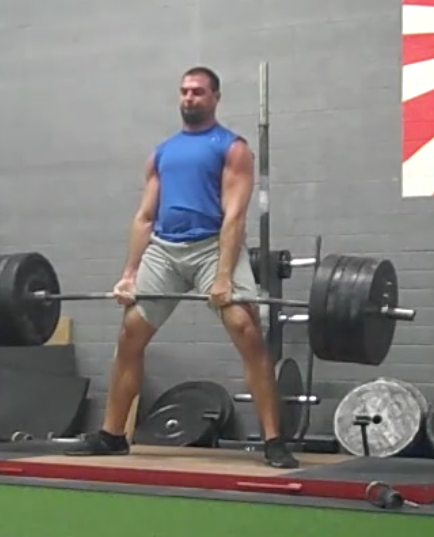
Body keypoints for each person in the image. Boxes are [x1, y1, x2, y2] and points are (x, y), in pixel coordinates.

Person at [65, 66, 299, 469]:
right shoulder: (162, 152)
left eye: (198, 92)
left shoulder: (232, 147)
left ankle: (274, 441)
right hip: (165, 251)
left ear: (215, 98)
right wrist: (130, 273)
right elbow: (143, 217)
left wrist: (224, 275)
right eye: (184, 92)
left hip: (213, 247)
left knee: (247, 330)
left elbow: (234, 218)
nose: (190, 98)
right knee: (130, 333)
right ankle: (112, 435)